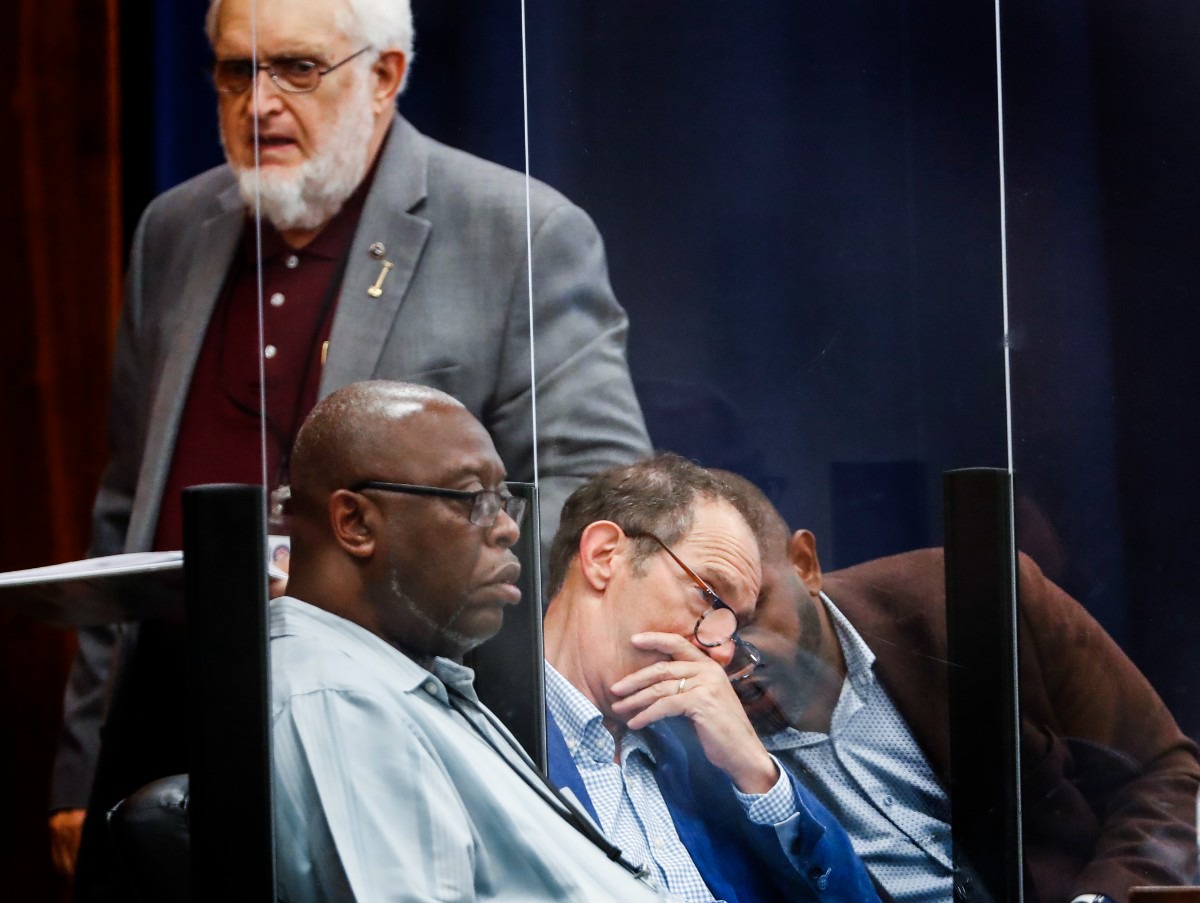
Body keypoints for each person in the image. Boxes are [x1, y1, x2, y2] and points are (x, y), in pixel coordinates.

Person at [51, 0, 650, 891]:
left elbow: (592, 499)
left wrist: (378, 555)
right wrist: (78, 766)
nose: (257, 104)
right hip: (167, 727)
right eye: (233, 72)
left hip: (386, 740)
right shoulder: (173, 230)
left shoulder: (517, 228)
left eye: (296, 69)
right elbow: (122, 514)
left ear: (385, 75)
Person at [721, 472, 1200, 903]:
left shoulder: (968, 601)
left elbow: (1163, 773)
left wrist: (1102, 900)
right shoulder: (695, 743)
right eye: (692, 638)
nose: (732, 657)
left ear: (805, 564)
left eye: (748, 615)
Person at [267, 381, 659, 901]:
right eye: (472, 498)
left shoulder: (400, 678)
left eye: (503, 501)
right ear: (356, 523)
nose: (506, 530)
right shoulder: (342, 699)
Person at [541, 454, 883, 903]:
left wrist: (757, 771)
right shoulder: (494, 727)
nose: (722, 653)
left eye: (735, 627)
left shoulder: (706, 754)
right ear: (605, 556)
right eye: (710, 597)